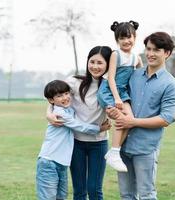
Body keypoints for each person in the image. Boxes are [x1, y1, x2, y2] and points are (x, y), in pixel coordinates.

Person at [107, 32, 175, 199]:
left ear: (167, 53)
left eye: (156, 50)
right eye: (148, 49)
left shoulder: (171, 85)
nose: (150, 54)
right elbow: (121, 101)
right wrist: (112, 111)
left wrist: (132, 122)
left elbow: (165, 119)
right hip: (123, 146)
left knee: (147, 195)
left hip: (145, 148)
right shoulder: (133, 75)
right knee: (126, 195)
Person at [47, 46, 112, 200]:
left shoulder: (109, 86)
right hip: (76, 143)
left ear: (108, 65)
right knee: (79, 190)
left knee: (95, 189)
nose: (95, 66)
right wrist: (49, 113)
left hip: (99, 143)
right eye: (92, 61)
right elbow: (53, 95)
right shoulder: (74, 82)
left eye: (100, 63)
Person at [36, 80, 111, 200]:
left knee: (61, 196)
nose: (65, 97)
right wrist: (99, 128)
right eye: (59, 96)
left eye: (66, 93)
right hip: (49, 162)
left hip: (62, 164)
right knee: (48, 197)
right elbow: (80, 126)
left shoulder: (68, 110)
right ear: (51, 100)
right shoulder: (60, 114)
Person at [97, 21, 143, 172]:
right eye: (122, 38)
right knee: (121, 118)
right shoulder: (116, 55)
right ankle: (115, 152)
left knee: (129, 120)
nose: (126, 41)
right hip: (109, 91)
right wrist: (116, 98)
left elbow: (141, 76)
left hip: (123, 93)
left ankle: (113, 152)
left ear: (135, 38)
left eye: (129, 37)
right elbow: (110, 78)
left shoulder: (136, 58)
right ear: (117, 40)